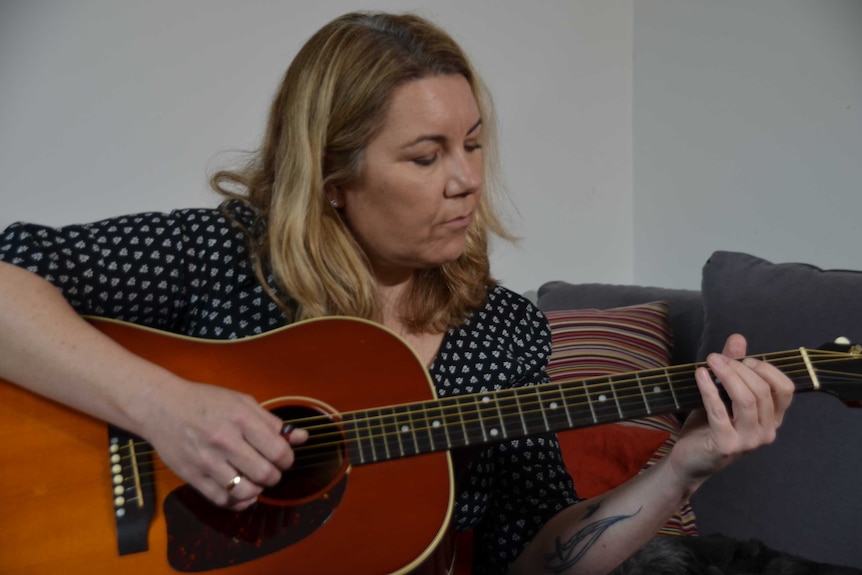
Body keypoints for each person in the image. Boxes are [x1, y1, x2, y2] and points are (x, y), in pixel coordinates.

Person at [0, 11, 793, 575]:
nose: (468, 179)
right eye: (426, 155)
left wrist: (684, 465)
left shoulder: (501, 330)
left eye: (475, 144)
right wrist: (163, 407)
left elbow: (536, 558)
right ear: (334, 174)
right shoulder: (222, 254)